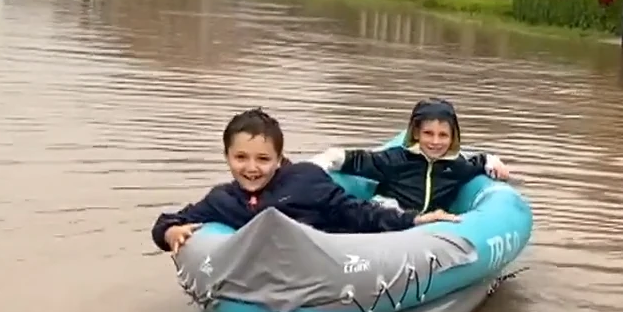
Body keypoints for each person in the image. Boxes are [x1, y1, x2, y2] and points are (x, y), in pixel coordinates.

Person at [152, 108, 455, 254]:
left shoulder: (305, 181)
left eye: (263, 159)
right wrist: (170, 232)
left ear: (280, 157)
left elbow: (358, 212)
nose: (252, 168)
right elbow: (171, 219)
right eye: (241, 158)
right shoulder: (223, 200)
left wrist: (412, 220)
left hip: (331, 257)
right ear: (227, 156)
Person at [315, 99, 513, 215]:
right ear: (417, 133)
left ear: (452, 137)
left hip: (424, 230)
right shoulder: (395, 159)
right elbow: (359, 160)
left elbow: (477, 163)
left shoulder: (456, 167)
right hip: (387, 218)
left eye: (443, 135)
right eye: (429, 133)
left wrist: (492, 162)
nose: (435, 142)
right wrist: (324, 161)